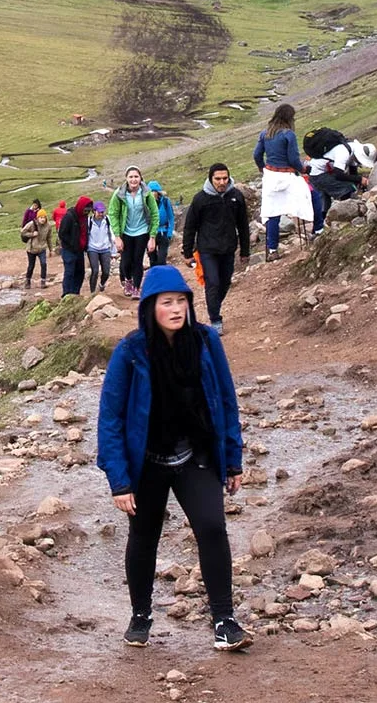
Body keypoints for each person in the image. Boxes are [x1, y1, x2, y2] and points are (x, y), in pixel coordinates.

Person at [97, 265, 251, 653]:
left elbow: (226, 401)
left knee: (213, 528)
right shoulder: (131, 351)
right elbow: (110, 418)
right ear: (150, 307)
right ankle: (141, 615)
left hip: (194, 452)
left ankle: (224, 620)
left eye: (182, 301)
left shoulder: (204, 341)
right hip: (147, 460)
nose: (177, 308)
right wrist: (119, 481)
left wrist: (232, 460)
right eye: (168, 302)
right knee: (144, 536)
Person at [181, 163, 251, 325]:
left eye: (225, 178)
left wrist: (245, 251)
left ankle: (214, 307)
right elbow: (190, 227)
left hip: (228, 248)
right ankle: (215, 320)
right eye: (218, 179)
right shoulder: (200, 199)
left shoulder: (236, 196)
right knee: (212, 282)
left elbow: (243, 225)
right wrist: (187, 253)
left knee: (225, 282)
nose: (221, 182)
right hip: (207, 249)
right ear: (211, 179)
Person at [252, 103, 309, 259]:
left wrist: (262, 168)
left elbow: (257, 155)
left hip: (270, 176)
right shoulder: (288, 134)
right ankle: (313, 233)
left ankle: (272, 250)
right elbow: (293, 159)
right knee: (307, 198)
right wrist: (303, 169)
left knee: (272, 212)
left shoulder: (265, 134)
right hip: (287, 175)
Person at [108, 167, 162, 298]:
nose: (133, 179)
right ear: (126, 178)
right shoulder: (119, 194)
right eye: (131, 177)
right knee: (126, 261)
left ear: (140, 178)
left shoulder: (147, 193)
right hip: (125, 232)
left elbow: (155, 214)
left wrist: (152, 237)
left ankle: (137, 288)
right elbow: (113, 213)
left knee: (138, 261)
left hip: (142, 231)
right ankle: (128, 281)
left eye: (136, 177)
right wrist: (117, 236)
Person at [58, 197, 93, 296]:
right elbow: (62, 233)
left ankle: (75, 293)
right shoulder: (69, 217)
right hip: (69, 250)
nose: (86, 212)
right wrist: (72, 244)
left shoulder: (85, 218)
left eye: (88, 211)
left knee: (80, 273)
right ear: (81, 207)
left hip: (80, 251)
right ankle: (66, 294)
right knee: (69, 273)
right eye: (85, 210)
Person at [86, 201, 116, 294]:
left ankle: (102, 284)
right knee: (95, 271)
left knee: (106, 271)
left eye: (102, 212)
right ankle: (92, 292)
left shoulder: (107, 220)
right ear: (94, 211)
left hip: (105, 248)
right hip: (92, 248)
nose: (101, 214)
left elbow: (112, 233)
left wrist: (114, 249)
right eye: (99, 212)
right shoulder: (88, 221)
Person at [21, 200, 53, 287]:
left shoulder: (48, 226)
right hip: (31, 249)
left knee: (43, 264)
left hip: (42, 248)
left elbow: (49, 238)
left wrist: (51, 250)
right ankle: (27, 281)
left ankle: (43, 282)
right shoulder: (32, 224)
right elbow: (23, 232)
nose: (43, 219)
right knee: (31, 266)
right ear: (38, 218)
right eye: (41, 217)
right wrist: (32, 234)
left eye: (44, 217)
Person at [148, 181, 175, 267]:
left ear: (158, 192)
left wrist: (169, 233)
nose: (152, 193)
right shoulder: (146, 203)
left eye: (154, 191)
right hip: (150, 234)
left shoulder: (165, 201)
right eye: (150, 191)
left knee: (161, 259)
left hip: (163, 233)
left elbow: (171, 217)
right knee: (152, 259)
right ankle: (155, 278)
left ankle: (162, 276)